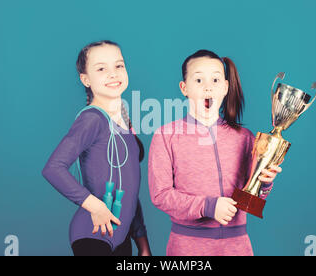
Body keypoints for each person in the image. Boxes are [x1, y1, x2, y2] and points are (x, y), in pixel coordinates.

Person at [148, 49, 282, 256]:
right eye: (199, 80)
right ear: (184, 88)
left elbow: (251, 201)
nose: (208, 87)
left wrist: (264, 182)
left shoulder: (245, 137)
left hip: (238, 247)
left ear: (226, 87)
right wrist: (208, 206)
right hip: (187, 248)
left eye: (216, 80)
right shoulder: (166, 135)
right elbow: (160, 195)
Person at [42, 40, 151, 256]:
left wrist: (143, 245)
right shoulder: (92, 119)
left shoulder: (125, 125)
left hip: (120, 239)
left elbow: (129, 191)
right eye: (101, 68)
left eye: (118, 66)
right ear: (85, 79)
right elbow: (53, 168)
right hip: (92, 235)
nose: (113, 74)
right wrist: (96, 206)